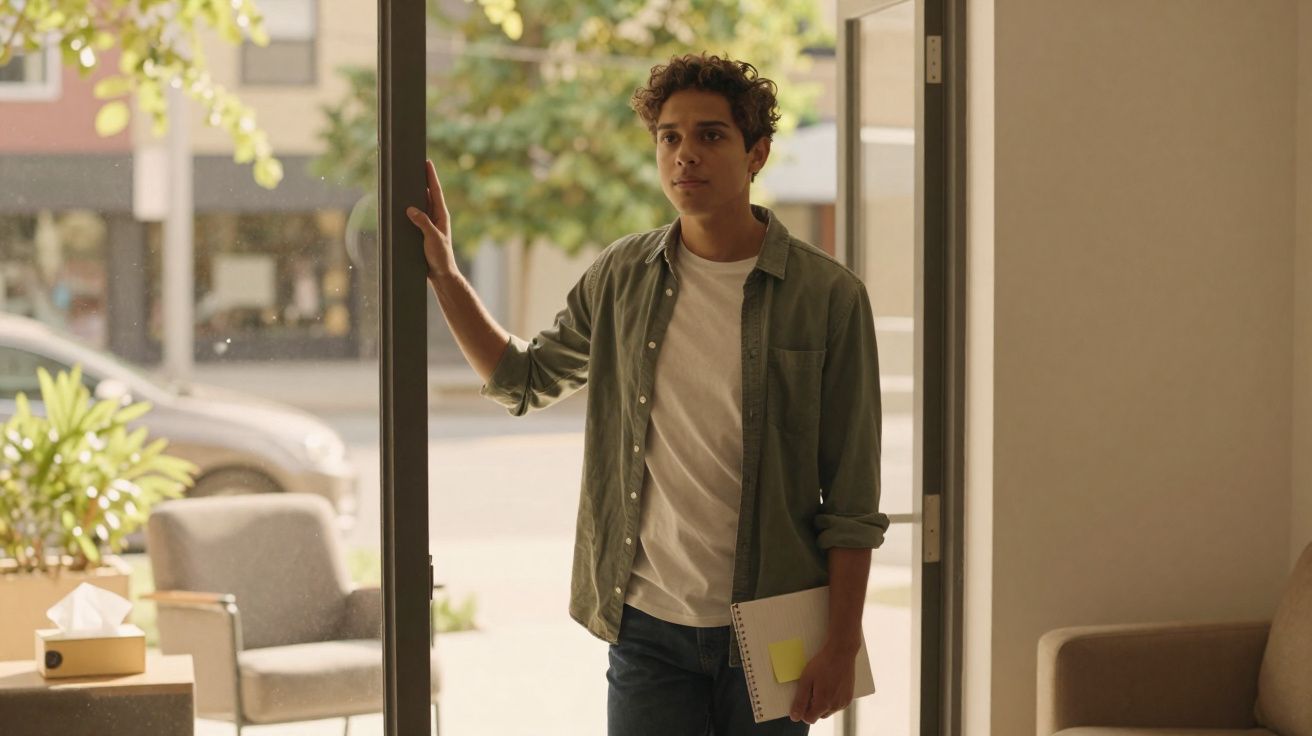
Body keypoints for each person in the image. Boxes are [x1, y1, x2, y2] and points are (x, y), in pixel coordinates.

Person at [407, 51, 887, 736]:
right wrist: (447, 276)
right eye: (670, 137)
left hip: (773, 625)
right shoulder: (621, 277)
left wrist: (841, 645)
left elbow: (851, 501)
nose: (685, 154)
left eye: (710, 135)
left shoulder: (829, 298)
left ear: (757, 153)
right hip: (648, 629)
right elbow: (525, 380)